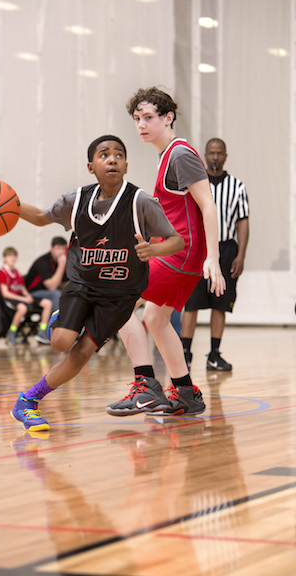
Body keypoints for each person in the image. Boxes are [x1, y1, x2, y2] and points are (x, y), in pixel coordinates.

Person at [10, 134, 185, 431]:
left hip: (118, 298)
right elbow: (41, 217)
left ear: (126, 165)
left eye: (118, 154)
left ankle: (27, 401)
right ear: (91, 166)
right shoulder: (75, 200)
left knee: (80, 356)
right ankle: (62, 319)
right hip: (82, 287)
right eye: (104, 155)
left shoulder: (140, 202)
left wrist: (153, 249)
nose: (112, 159)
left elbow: (177, 240)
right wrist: (7, 203)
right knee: (61, 342)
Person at [106, 87, 226, 417]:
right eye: (136, 119)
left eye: (148, 118)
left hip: (181, 254)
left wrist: (212, 258)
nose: (141, 125)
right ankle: (185, 393)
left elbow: (208, 204)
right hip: (176, 251)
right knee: (155, 317)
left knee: (116, 301)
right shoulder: (166, 156)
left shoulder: (180, 154)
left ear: (168, 117)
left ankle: (145, 387)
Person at [181, 138, 249, 371]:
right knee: (191, 304)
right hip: (199, 248)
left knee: (221, 304)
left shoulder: (237, 186)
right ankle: (185, 353)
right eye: (211, 153)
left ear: (225, 156)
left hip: (226, 249)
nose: (215, 157)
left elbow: (243, 222)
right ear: (205, 155)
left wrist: (241, 254)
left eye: (219, 153)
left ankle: (214, 354)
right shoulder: (195, 183)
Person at [0, 247, 53, 346]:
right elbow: (5, 293)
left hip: (21, 297)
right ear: (4, 258)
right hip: (10, 298)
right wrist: (23, 298)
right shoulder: (2, 272)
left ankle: (42, 332)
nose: (12, 258)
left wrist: (28, 296)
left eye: (14, 256)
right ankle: (12, 333)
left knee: (47, 303)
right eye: (9, 256)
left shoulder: (16, 272)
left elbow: (22, 288)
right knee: (22, 308)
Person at [25, 236, 68, 344]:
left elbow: (64, 284)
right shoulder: (43, 262)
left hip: (48, 293)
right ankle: (54, 330)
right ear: (51, 249)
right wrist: (62, 265)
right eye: (58, 248)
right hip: (32, 293)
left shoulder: (59, 262)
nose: (61, 252)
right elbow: (52, 286)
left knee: (69, 295)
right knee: (56, 294)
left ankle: (71, 330)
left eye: (63, 249)